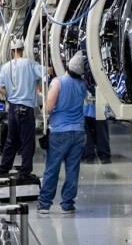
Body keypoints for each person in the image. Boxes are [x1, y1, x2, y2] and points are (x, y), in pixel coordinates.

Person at [37, 51, 87, 214]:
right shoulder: (82, 84)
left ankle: (44, 204)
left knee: (52, 168)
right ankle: (67, 204)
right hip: (78, 132)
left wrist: (42, 103)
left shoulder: (58, 82)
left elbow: (48, 108)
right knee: (73, 169)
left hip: (59, 133)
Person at [0, 38, 45, 178]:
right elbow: (46, 73)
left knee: (11, 140)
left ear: (11, 51)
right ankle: (25, 172)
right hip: (26, 108)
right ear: (22, 50)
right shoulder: (30, 64)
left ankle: (3, 170)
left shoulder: (5, 67)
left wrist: (11, 93)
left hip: (12, 109)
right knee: (27, 142)